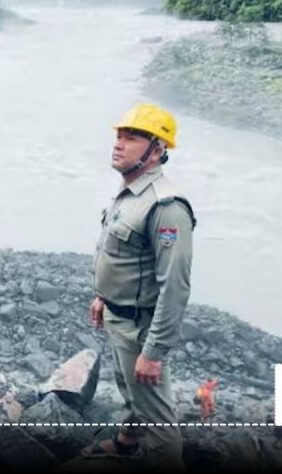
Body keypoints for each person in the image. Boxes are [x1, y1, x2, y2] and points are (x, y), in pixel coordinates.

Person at [82, 104, 196, 470]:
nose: (119, 144)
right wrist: (104, 296)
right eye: (118, 135)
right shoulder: (130, 192)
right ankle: (128, 442)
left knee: (158, 422)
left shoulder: (167, 207)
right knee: (130, 391)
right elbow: (123, 253)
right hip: (118, 316)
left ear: (157, 149)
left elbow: (175, 286)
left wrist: (154, 351)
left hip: (139, 329)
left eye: (131, 138)